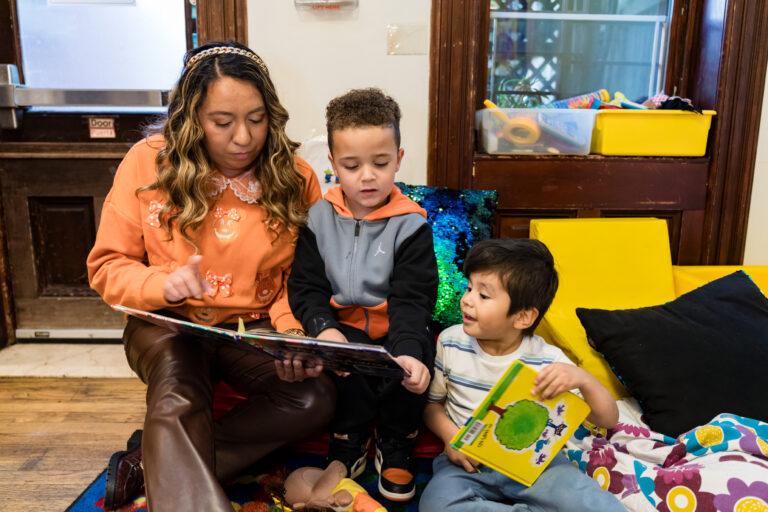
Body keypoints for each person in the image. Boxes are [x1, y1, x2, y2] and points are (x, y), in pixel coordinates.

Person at [86, 41, 335, 512]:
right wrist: (163, 285)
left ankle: (149, 466)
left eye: (256, 119)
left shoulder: (296, 176)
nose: (243, 137)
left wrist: (293, 335)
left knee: (315, 398)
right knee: (178, 392)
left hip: (254, 329)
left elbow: (298, 280)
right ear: (189, 119)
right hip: (166, 324)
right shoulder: (146, 161)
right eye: (222, 122)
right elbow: (106, 267)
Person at [287, 88, 439, 502]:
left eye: (381, 163)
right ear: (333, 165)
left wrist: (407, 349)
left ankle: (397, 440)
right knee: (346, 362)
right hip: (343, 327)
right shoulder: (318, 219)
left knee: (414, 361)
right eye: (352, 166)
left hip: (397, 327)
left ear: (399, 160)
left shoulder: (411, 225)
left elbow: (413, 300)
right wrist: (323, 329)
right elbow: (305, 287)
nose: (367, 176)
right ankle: (348, 439)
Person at [420, 239, 625, 512]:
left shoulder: (548, 360)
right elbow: (431, 405)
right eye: (469, 288)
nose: (467, 299)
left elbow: (608, 419)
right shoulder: (450, 342)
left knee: (597, 505)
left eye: (483, 295)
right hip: (467, 463)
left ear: (523, 317)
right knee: (435, 505)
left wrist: (583, 379)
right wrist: (451, 438)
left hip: (537, 464)